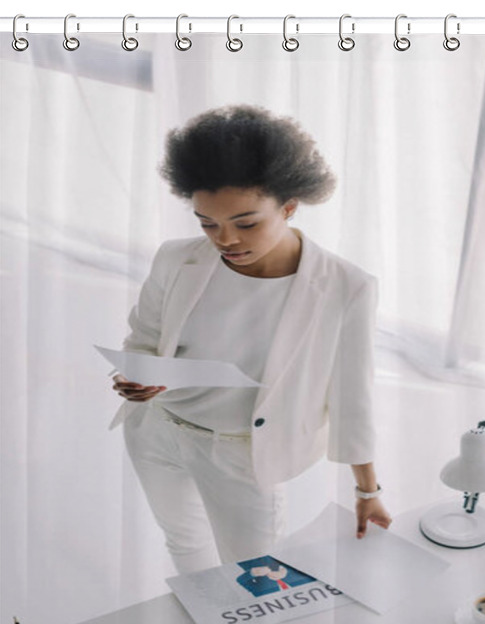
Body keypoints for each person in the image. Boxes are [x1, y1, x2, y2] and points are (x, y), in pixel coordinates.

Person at [110, 104, 392, 574]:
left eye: (246, 223)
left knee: (254, 571)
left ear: (288, 206)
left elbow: (352, 399)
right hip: (156, 432)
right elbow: (144, 338)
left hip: (241, 452)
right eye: (207, 222)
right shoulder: (176, 259)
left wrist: (367, 491)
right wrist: (135, 376)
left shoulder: (346, 287)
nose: (225, 239)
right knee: (183, 543)